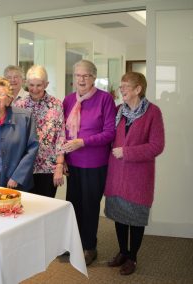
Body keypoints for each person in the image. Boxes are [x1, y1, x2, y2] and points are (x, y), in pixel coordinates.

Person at [104, 72, 165, 275]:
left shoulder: (153, 112)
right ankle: (122, 252)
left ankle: (132, 257)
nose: (121, 90)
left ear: (138, 89)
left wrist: (127, 152)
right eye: (120, 87)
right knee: (120, 216)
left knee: (136, 218)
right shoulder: (118, 110)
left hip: (138, 176)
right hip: (116, 174)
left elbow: (157, 146)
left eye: (125, 87)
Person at [62, 59, 116, 265]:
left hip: (95, 163)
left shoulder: (105, 99)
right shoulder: (68, 100)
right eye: (78, 75)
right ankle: (74, 244)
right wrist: (63, 159)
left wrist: (82, 142)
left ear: (94, 77)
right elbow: (62, 132)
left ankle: (89, 247)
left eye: (86, 75)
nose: (82, 79)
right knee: (73, 205)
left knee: (90, 206)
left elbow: (109, 133)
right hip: (73, 162)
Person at [14, 65, 66, 198]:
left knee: (46, 208)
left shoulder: (56, 104)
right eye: (31, 85)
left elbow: (60, 136)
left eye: (39, 85)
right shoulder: (19, 105)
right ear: (26, 84)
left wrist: (59, 165)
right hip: (24, 166)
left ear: (46, 84)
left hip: (48, 167)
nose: (35, 89)